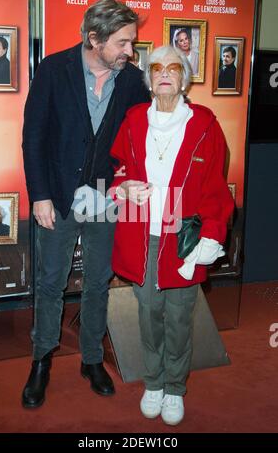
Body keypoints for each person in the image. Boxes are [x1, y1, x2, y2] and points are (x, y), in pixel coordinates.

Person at [21, 0, 151, 409]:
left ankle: (91, 358)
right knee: (51, 283)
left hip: (106, 196)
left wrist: (126, 183)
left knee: (98, 282)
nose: (129, 52)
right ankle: (41, 359)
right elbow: (34, 138)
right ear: (94, 38)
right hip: (58, 194)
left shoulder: (131, 80)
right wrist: (39, 195)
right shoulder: (53, 70)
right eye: (122, 43)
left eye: (131, 42)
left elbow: (139, 142)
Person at [109, 45, 234, 425]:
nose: (164, 73)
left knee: (179, 319)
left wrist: (212, 234)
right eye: (157, 68)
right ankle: (154, 383)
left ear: (185, 78)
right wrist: (122, 189)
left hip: (182, 239)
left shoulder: (205, 124)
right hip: (142, 236)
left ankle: (175, 387)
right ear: (149, 78)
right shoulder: (132, 120)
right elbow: (118, 171)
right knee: (148, 315)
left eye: (174, 68)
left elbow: (215, 189)